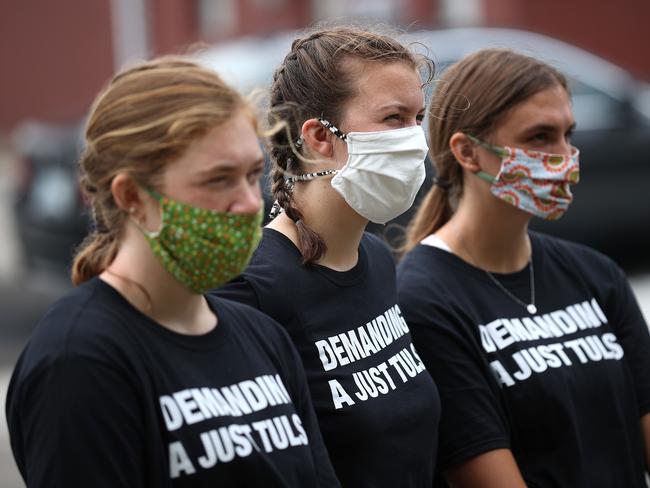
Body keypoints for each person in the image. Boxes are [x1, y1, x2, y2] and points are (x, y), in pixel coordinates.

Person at [6, 57, 341, 488]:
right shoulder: (78, 361)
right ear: (131, 195)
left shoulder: (263, 335)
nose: (249, 202)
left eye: (251, 175)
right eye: (218, 180)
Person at [397, 48, 650, 487]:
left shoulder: (595, 273)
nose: (564, 156)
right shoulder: (424, 299)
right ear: (469, 153)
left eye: (567, 135)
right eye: (539, 138)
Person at [212, 26, 441, 487]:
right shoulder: (251, 290)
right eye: (393, 118)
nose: (415, 140)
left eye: (418, 118)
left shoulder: (375, 260)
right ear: (318, 136)